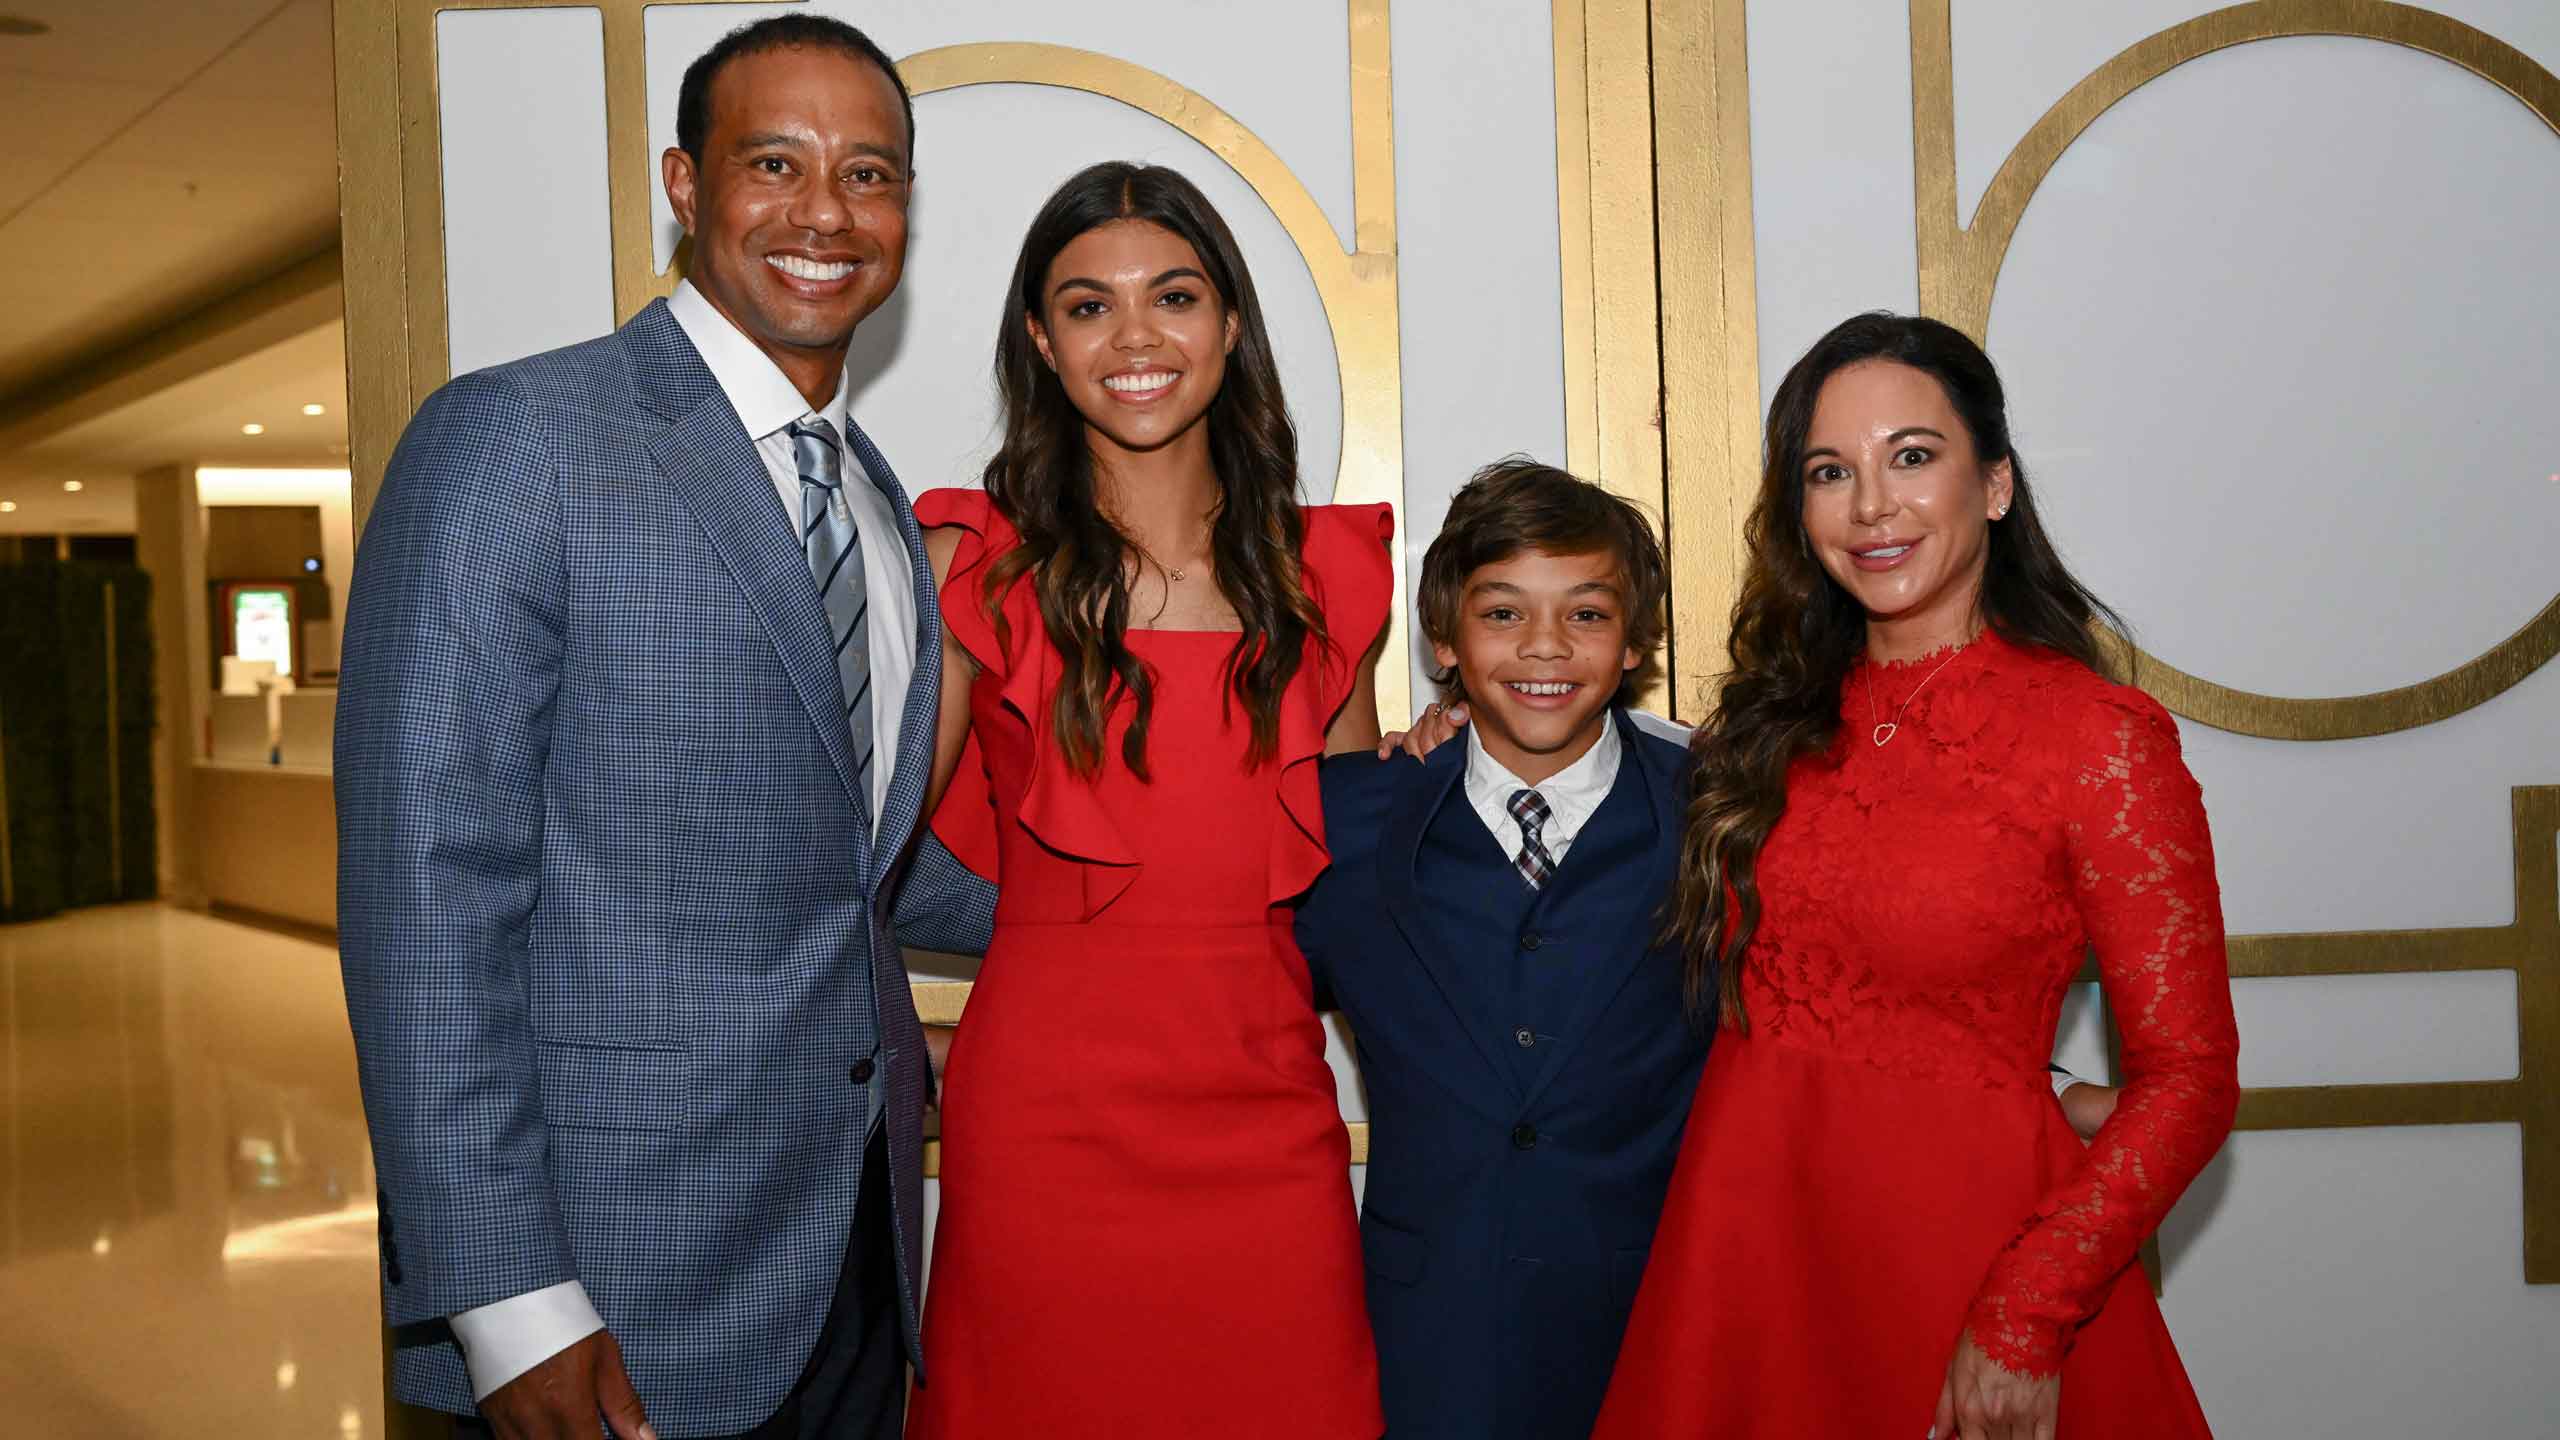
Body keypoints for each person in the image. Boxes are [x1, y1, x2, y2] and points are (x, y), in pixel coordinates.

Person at [336, 17, 990, 1439]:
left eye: (870, 175)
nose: (827, 212)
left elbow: (856, 871)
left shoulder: (879, 503)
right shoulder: (518, 437)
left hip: (859, 1260)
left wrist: (1257, 870)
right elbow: (423, 893)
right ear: (685, 185)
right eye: (777, 162)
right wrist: (509, 1302)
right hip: (615, 1288)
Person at [1591, 312, 2241, 1440]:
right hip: (1749, 1254)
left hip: (1963, 1266)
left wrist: (2028, 1314)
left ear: (1993, 484)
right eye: (1830, 471)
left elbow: (2190, 1077)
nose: (1872, 505)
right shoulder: (1762, 727)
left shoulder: (2097, 741)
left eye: (1912, 457)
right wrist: (1445, 736)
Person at [903, 161, 1389, 1439]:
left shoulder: (1324, 575)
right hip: (1045, 1127)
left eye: (1172, 296)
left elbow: (1358, 885)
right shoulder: (973, 562)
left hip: (1269, 1111)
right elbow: (849, 859)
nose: (1134, 339)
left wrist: (1453, 769)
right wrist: (890, 1058)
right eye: (1085, 306)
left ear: (1230, 321)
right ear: (1039, 342)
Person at [1294, 460, 1698, 1440]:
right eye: (1503, 613)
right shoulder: (1345, 817)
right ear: (1443, 638)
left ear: (1637, 638)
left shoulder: (1718, 815)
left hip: (1656, 1322)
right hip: (1425, 1332)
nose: (1545, 647)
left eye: (1588, 615)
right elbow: (1225, 1016)